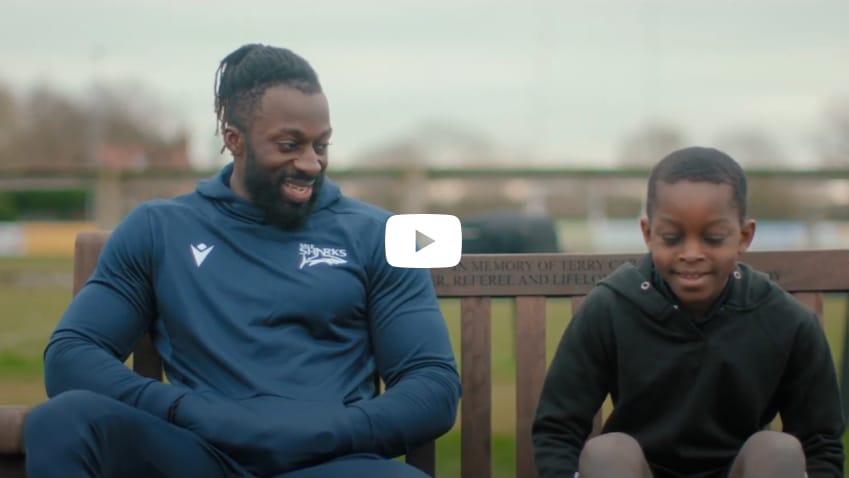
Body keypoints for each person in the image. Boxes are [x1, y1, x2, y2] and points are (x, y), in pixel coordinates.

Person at [24, 43, 461, 478]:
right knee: (63, 422)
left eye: (321, 145)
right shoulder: (160, 229)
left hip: (331, 461)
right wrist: (186, 409)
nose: (310, 163)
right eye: (289, 145)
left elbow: (433, 383)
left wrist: (329, 430)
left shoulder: (380, 235)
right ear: (235, 140)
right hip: (200, 453)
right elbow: (71, 356)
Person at [532, 146, 844, 478]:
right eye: (671, 238)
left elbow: (821, 444)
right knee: (608, 451)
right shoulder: (611, 308)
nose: (691, 253)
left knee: (776, 450)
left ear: (744, 236)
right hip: (639, 471)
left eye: (713, 238)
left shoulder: (784, 320)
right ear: (648, 234)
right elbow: (557, 431)